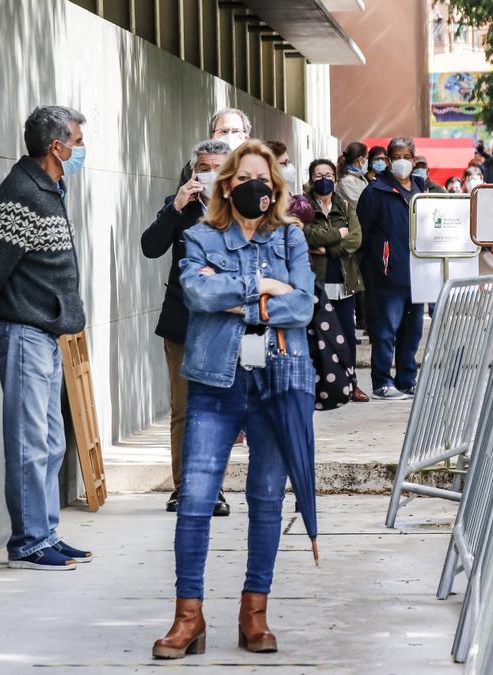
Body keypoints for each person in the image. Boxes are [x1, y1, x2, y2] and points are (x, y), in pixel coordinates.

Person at [152, 139, 314, 659]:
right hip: (213, 383)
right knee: (196, 501)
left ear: (275, 188)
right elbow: (196, 295)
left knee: (266, 501)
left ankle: (254, 613)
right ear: (226, 184)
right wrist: (263, 286)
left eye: (262, 180)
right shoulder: (200, 235)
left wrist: (242, 300)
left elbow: (304, 305)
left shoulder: (291, 238)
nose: (254, 187)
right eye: (243, 178)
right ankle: (188, 617)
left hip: (276, 383)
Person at [0, 105, 94, 571]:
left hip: (44, 331)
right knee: (29, 442)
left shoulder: (49, 187)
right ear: (56, 147)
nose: (81, 150)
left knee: (52, 441)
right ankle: (26, 543)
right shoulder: (22, 192)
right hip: (21, 330)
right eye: (77, 142)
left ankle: (46, 532)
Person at [142, 140, 235, 515]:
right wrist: (176, 205)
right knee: (182, 407)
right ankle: (183, 488)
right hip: (181, 321)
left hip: (224, 322)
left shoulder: (240, 209)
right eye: (202, 168)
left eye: (217, 167)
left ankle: (214, 488)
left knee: (217, 408)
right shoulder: (178, 206)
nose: (208, 174)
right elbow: (150, 246)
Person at [356, 137, 427, 400]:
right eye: (397, 156)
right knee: (385, 331)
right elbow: (363, 233)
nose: (402, 161)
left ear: (414, 158)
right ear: (387, 160)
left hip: (418, 273)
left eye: (407, 156)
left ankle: (407, 379)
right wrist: (373, 268)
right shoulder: (375, 192)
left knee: (412, 331)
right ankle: (382, 382)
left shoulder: (422, 189)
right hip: (386, 275)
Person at [304, 158, 368, 403]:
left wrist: (328, 248)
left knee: (346, 335)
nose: (324, 179)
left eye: (329, 175)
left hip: (344, 281)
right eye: (319, 175)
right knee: (318, 336)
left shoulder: (345, 205)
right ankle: (318, 384)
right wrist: (336, 234)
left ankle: (351, 384)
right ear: (311, 180)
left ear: (336, 179)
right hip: (316, 283)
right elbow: (306, 234)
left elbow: (355, 239)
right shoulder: (304, 207)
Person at [338, 142, 371, 335]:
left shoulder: (360, 179)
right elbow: (362, 206)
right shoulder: (347, 183)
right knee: (359, 282)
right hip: (355, 237)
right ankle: (361, 320)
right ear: (361, 160)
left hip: (364, 235)